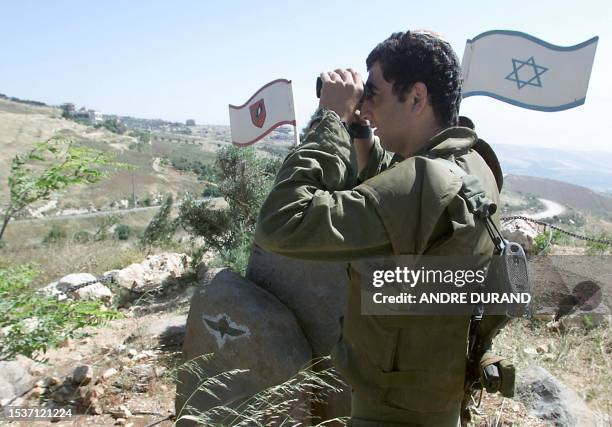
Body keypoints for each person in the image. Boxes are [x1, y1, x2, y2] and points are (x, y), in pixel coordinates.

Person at [255, 30, 504, 426]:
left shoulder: (426, 185)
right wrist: (360, 133)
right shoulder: (472, 162)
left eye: (374, 94)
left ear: (417, 97)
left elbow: (281, 222)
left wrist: (331, 120)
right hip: (436, 399)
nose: (365, 107)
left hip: (392, 414)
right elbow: (396, 195)